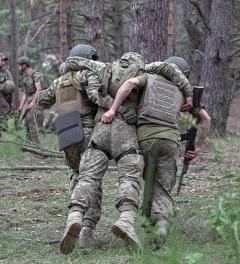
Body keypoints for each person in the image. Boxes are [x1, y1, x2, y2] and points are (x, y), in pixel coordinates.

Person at [60, 52, 192, 254]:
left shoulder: (104, 69)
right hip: (127, 133)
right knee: (129, 178)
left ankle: (75, 216)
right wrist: (188, 92)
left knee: (88, 177)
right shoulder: (147, 75)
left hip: (101, 128)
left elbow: (75, 67)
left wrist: (110, 107)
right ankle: (126, 220)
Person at [100, 56, 194, 249]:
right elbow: (203, 119)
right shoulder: (183, 90)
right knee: (163, 188)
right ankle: (159, 230)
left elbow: (129, 84)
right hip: (170, 141)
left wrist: (113, 109)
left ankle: (143, 224)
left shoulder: (148, 78)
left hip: (145, 139)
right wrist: (197, 147)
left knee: (149, 183)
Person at [38, 44, 105, 251]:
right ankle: (86, 230)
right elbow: (97, 98)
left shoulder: (59, 81)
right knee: (91, 179)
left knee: (76, 175)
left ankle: (72, 219)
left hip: (66, 133)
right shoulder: (87, 76)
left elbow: (42, 101)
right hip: (86, 132)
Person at [17, 56, 49, 144]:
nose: (19, 67)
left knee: (32, 121)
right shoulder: (25, 77)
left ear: (24, 65)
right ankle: (29, 144)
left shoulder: (35, 74)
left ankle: (37, 145)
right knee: (27, 122)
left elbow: (38, 88)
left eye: (20, 65)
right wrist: (21, 105)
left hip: (38, 101)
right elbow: (25, 93)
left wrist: (33, 102)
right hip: (30, 101)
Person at [0, 52, 16, 137]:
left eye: (4, 61)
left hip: (4, 96)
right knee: (5, 108)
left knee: (6, 109)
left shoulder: (6, 71)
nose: (3, 62)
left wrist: (11, 100)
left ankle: (3, 131)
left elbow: (11, 85)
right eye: (2, 60)